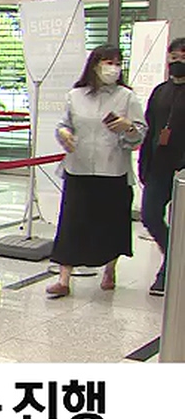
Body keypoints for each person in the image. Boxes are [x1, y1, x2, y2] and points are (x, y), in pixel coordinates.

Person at [47, 46, 145, 298]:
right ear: (94, 64)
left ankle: (109, 270)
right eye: (108, 62)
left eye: (117, 63)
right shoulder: (76, 95)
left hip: (112, 169)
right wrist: (64, 135)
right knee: (71, 222)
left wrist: (128, 128)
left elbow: (139, 134)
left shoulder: (127, 97)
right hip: (78, 168)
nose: (113, 68)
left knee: (111, 223)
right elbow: (64, 125)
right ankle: (63, 278)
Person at [139, 37, 185, 296]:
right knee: (150, 215)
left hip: (183, 170)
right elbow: (149, 129)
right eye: (174, 57)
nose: (178, 62)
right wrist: (144, 163)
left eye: (183, 57)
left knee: (180, 223)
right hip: (158, 167)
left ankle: (167, 273)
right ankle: (174, 257)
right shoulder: (160, 91)